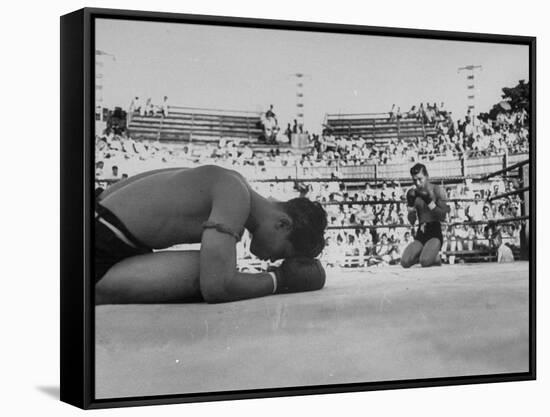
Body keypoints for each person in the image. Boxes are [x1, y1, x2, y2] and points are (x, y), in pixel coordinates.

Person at [94, 165, 328, 304]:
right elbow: (216, 287)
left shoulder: (233, 181)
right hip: (95, 247)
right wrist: (281, 280)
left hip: (99, 232)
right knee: (210, 271)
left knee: (213, 266)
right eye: (284, 252)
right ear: (283, 225)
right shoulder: (235, 194)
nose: (274, 259)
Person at [401, 163, 450, 268]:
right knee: (404, 262)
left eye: (420, 179)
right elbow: (412, 221)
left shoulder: (437, 190)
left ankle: (434, 257)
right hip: (421, 234)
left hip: (435, 233)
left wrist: (429, 201)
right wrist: (410, 208)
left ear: (427, 176)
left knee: (425, 261)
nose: (417, 183)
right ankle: (428, 254)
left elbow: (442, 216)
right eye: (414, 180)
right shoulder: (413, 193)